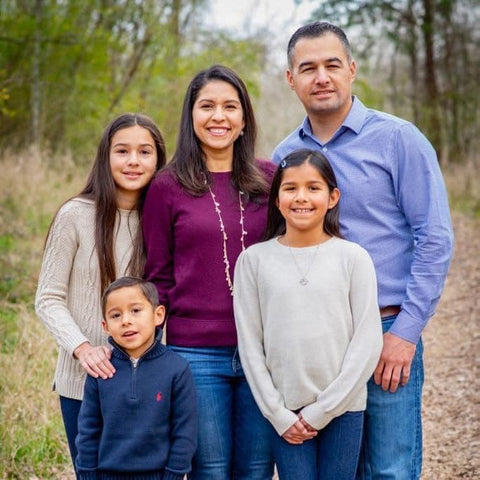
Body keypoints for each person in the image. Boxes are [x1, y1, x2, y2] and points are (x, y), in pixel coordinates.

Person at [272, 22, 454, 479]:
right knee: (337, 471)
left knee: (390, 469)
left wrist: (405, 333)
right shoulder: (283, 158)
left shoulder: (398, 139)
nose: (322, 77)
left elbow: (434, 237)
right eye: (308, 68)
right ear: (290, 79)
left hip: (387, 325)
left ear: (352, 70)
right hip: (316, 337)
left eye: (332, 65)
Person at [142, 64, 275, 479]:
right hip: (195, 353)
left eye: (229, 106)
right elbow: (158, 275)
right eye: (207, 106)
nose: (219, 116)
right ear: (191, 115)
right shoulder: (166, 186)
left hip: (264, 349)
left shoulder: (270, 180)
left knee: (255, 470)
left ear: (244, 118)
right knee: (210, 470)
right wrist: (150, 356)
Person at [233, 149, 383, 480]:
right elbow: (250, 344)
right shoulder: (254, 261)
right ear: (276, 199)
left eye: (313, 188)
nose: (302, 197)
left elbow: (368, 340)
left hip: (343, 407)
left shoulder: (352, 258)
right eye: (290, 188)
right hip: (285, 411)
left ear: (333, 197)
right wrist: (276, 412)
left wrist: (324, 409)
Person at [35, 113, 166, 467]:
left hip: (146, 386)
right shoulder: (75, 215)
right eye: (122, 151)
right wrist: (82, 349)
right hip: (84, 383)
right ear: (106, 157)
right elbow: (48, 297)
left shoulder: (163, 219)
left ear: (159, 159)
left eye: (145, 152)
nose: (134, 161)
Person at [75, 276, 197, 480]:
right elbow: (88, 429)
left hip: (159, 476)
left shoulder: (176, 368)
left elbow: (185, 430)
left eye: (136, 311)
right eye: (116, 315)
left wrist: (174, 473)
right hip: (107, 475)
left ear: (158, 315)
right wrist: (87, 473)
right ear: (105, 326)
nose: (126, 320)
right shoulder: (102, 370)